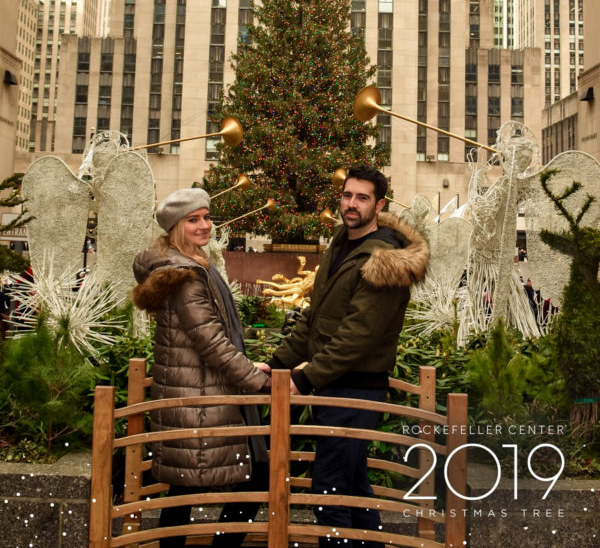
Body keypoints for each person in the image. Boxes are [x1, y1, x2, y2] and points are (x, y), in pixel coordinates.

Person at [264, 164, 429, 548]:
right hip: (336, 388)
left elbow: (356, 336)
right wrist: (278, 363)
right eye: (347, 195)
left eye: (362, 198)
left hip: (355, 391)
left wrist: (305, 378)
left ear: (379, 204)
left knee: (330, 489)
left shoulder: (384, 259)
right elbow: (315, 315)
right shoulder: (342, 243)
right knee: (352, 486)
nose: (351, 204)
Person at [132, 188, 271, 548]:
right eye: (194, 220)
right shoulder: (184, 275)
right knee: (255, 480)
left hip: (194, 393)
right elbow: (212, 343)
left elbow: (207, 338)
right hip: (200, 399)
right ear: (176, 227)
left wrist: (248, 365)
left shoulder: (190, 264)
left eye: (207, 217)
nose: (205, 225)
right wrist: (258, 382)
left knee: (183, 487)